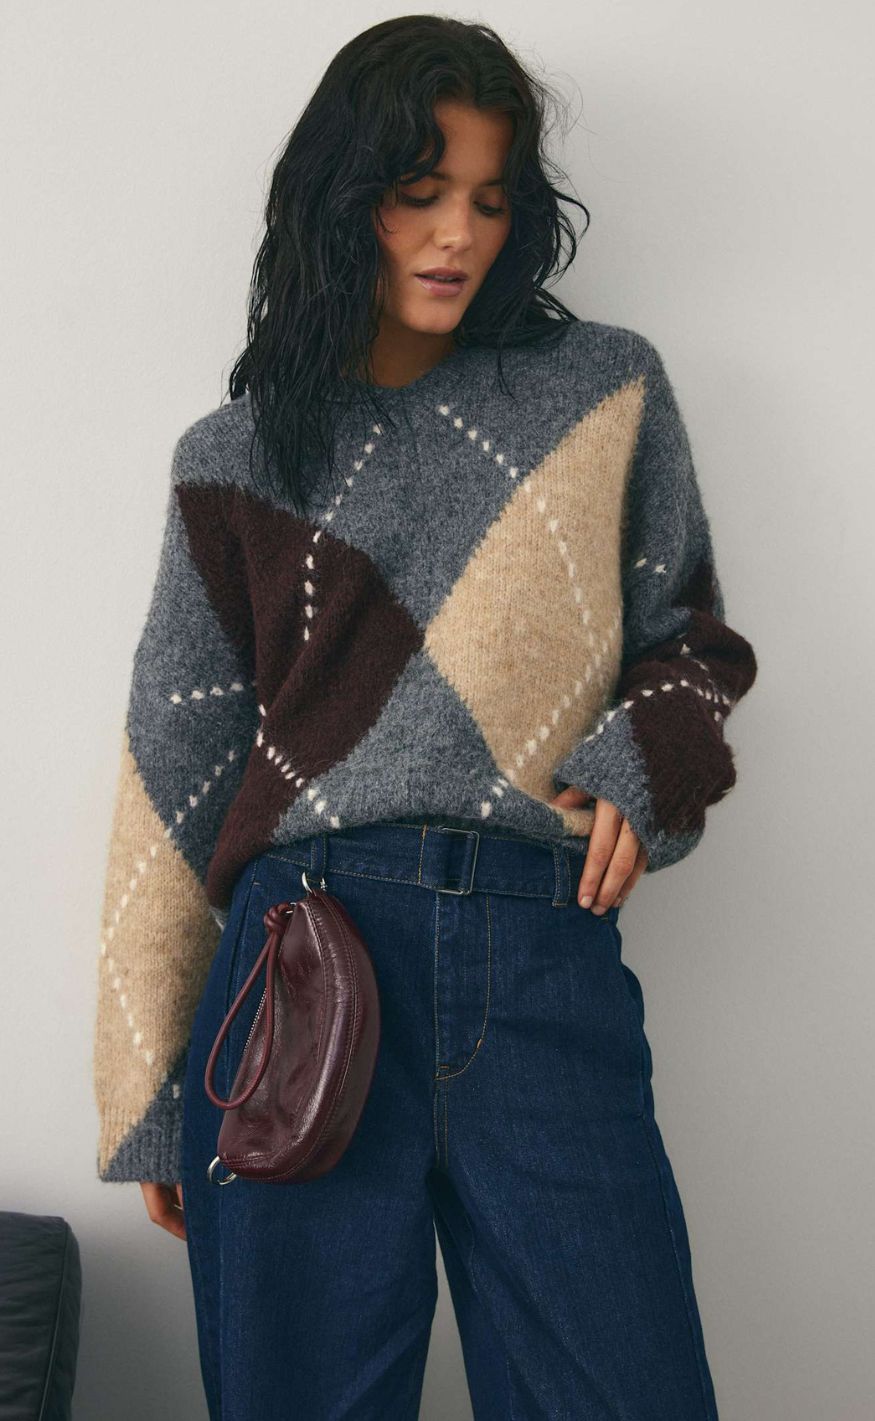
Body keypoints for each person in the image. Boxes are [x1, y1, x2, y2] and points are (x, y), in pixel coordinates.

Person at [93, 15, 757, 1419]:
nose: (459, 234)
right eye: (419, 192)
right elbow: (175, 767)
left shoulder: (603, 391)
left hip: (543, 953)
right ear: (344, 202)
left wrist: (640, 771)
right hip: (296, 971)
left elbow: (694, 643)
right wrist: (152, 1087)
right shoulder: (235, 455)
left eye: (490, 198)